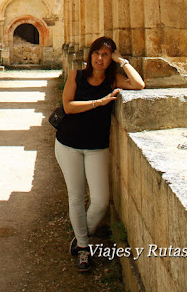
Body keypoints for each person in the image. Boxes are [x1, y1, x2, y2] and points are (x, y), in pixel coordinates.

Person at [54, 36, 145, 272]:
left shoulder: (113, 79)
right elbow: (67, 106)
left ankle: (80, 235)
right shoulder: (77, 76)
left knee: (101, 202)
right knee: (75, 197)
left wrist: (121, 60)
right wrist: (99, 102)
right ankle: (84, 248)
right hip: (68, 144)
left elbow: (139, 85)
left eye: (106, 55)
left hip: (97, 146)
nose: (100, 58)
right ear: (90, 55)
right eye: (97, 53)